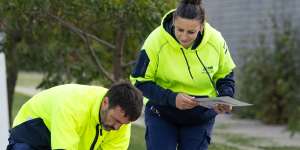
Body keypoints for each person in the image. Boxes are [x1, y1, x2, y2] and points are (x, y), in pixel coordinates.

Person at [130, 0, 236, 149]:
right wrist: (172, 98)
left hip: (201, 116)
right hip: (162, 113)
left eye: (191, 32)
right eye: (179, 30)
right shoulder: (155, 40)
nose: (184, 37)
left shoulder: (216, 40)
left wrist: (226, 97)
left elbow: (226, 75)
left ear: (202, 26)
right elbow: (139, 81)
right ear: (173, 21)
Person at [7, 82, 143, 150]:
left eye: (123, 124)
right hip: (32, 133)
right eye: (116, 120)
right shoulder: (72, 105)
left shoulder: (122, 122)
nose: (117, 127)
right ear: (105, 103)